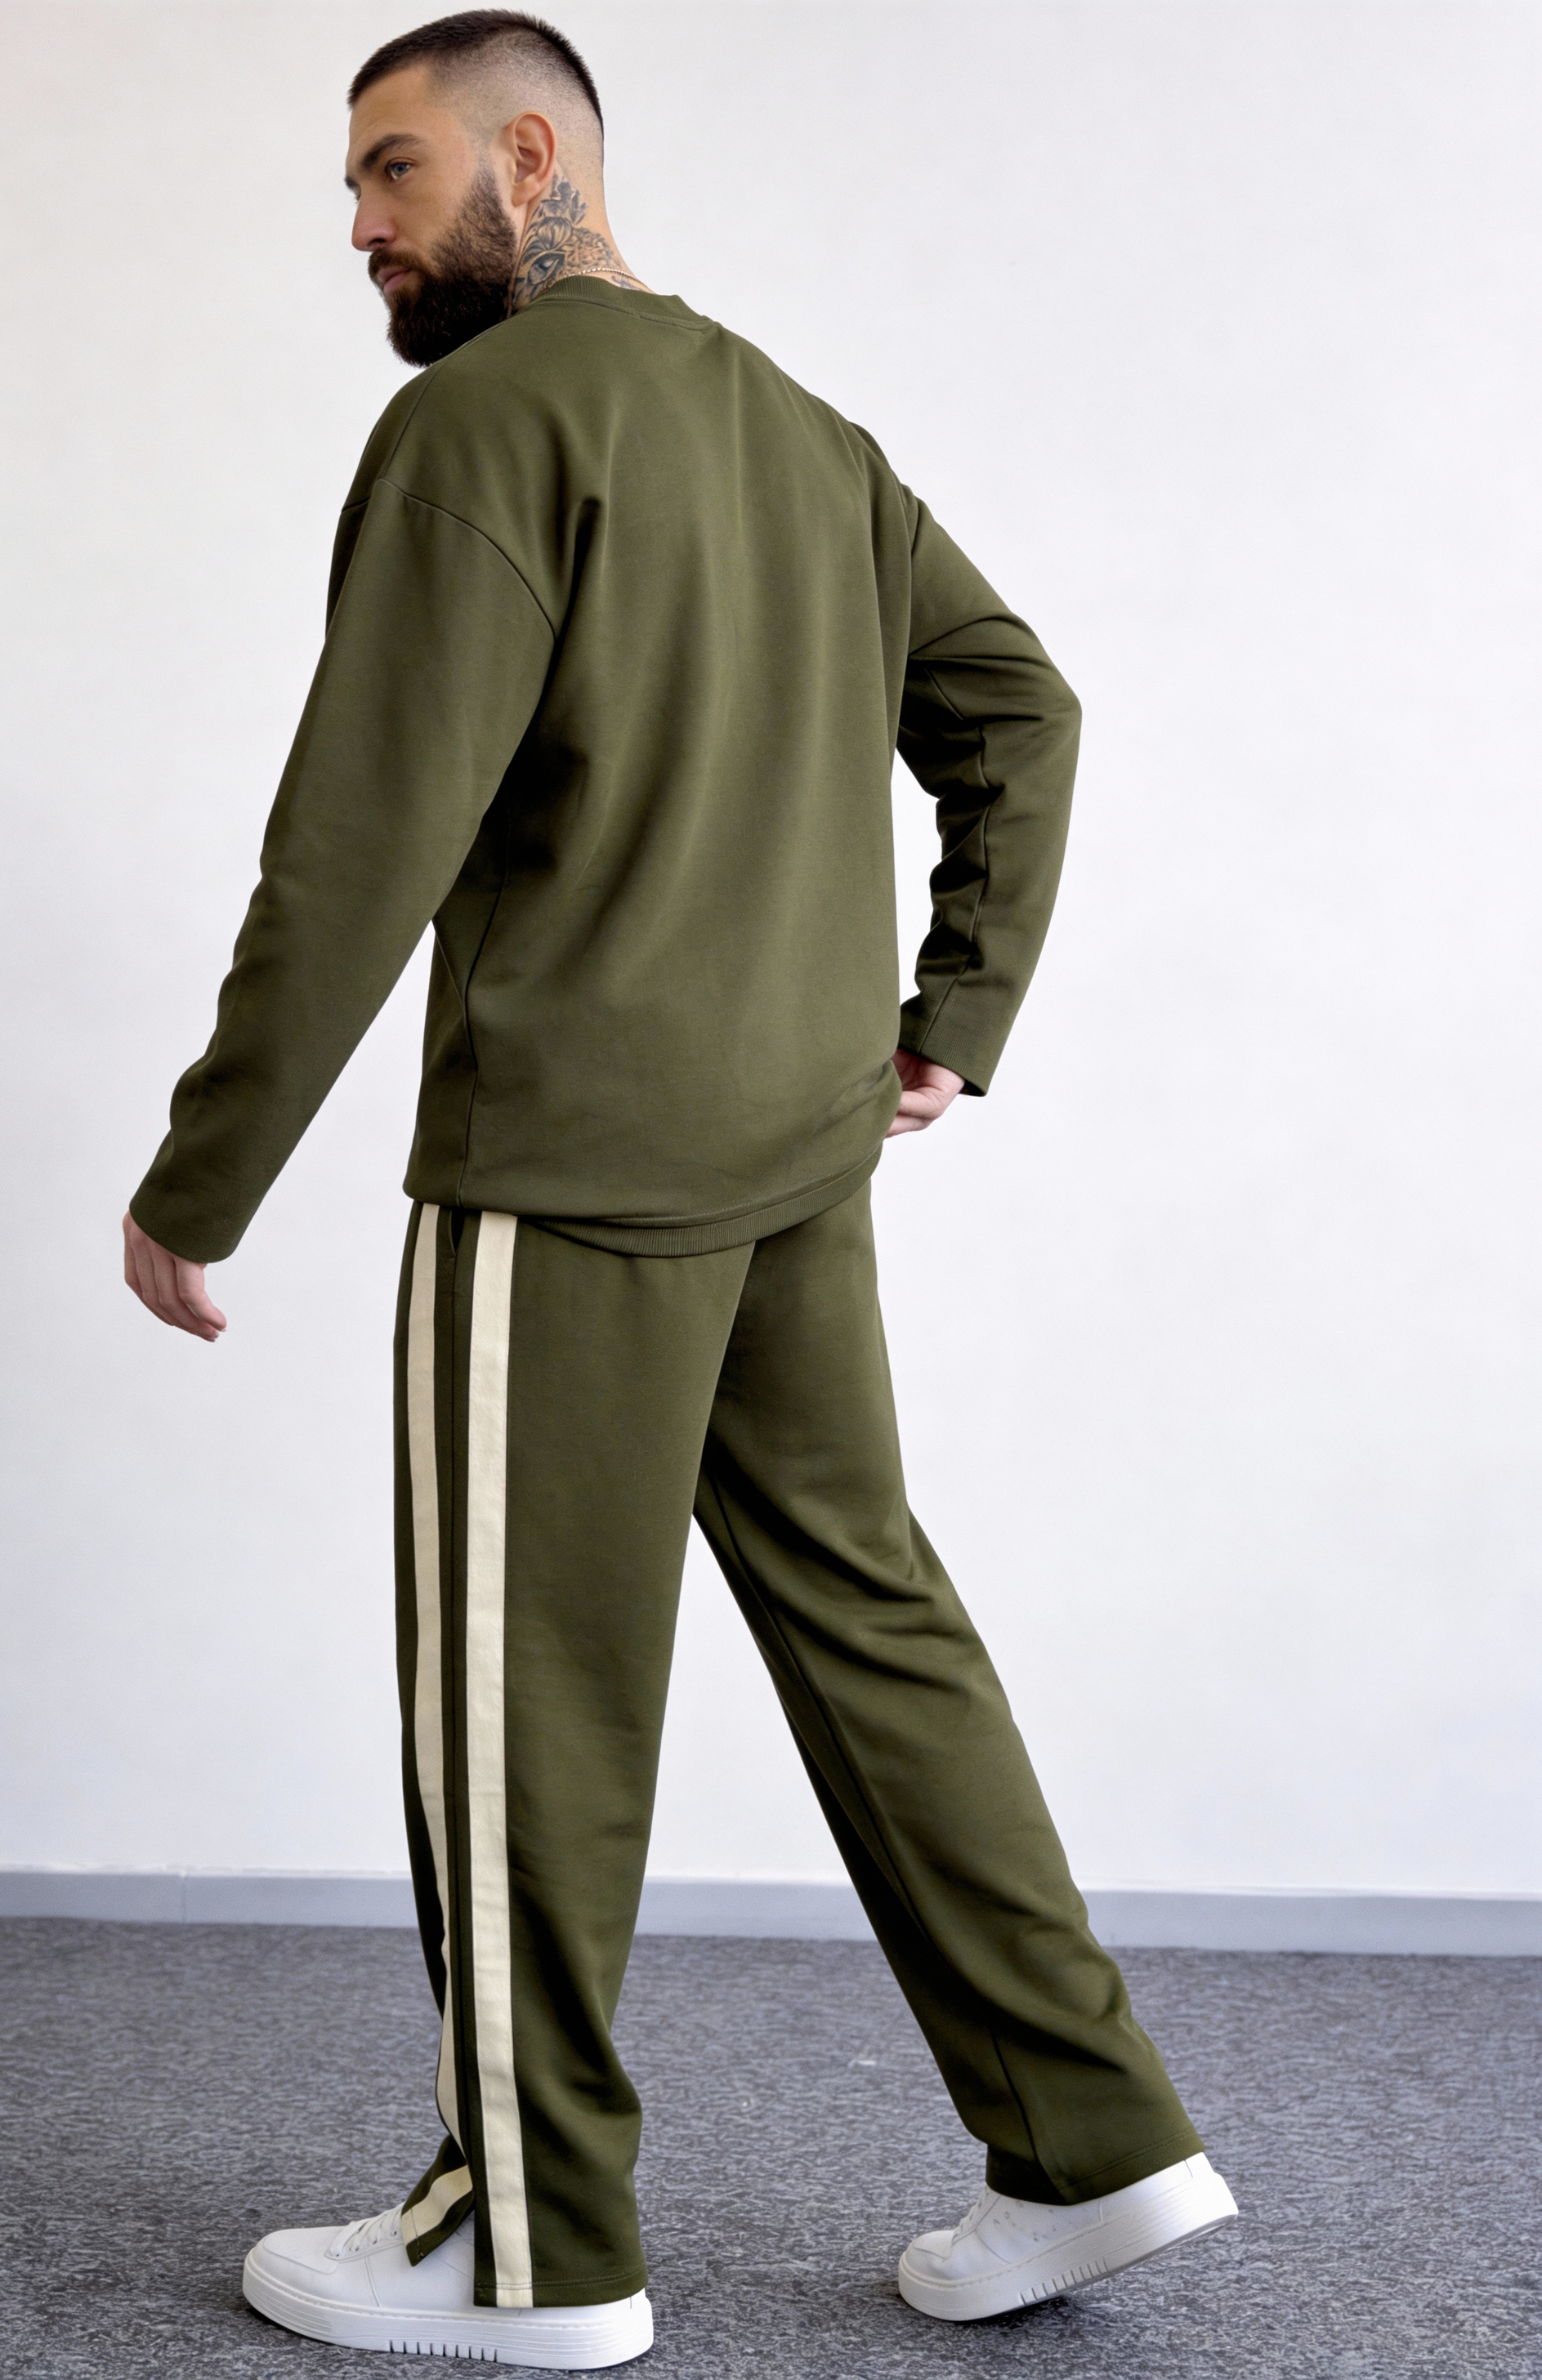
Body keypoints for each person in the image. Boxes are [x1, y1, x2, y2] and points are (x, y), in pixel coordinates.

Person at [123, 10, 1237, 2366]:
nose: (360, 224)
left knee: (522, 1694)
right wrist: (955, 1009)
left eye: (395, 169)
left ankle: (529, 2252)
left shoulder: (480, 427)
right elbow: (1019, 705)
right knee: (874, 1622)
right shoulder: (796, 428)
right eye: (353, 184)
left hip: (568, 1176)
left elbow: (355, 845)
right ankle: (1096, 2139)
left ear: (533, 155)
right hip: (796, 1151)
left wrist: (203, 1176)